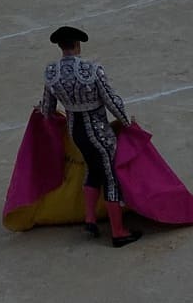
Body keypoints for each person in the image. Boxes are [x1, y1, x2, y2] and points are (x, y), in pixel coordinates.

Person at [38, 27, 141, 247]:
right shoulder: (92, 69)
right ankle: (118, 232)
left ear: (60, 46)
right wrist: (127, 122)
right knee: (110, 176)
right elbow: (111, 101)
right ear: (77, 44)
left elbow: (46, 109)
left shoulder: (51, 72)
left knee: (92, 169)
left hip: (77, 133)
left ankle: (90, 220)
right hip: (100, 134)